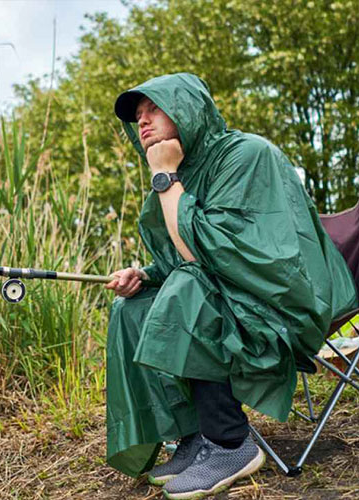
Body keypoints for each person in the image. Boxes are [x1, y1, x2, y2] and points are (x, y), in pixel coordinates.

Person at [104, 73, 358, 499]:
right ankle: (193, 435)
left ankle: (228, 442)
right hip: (234, 292)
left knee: (189, 291)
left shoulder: (246, 156)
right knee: (132, 308)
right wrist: (147, 274)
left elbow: (222, 256)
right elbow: (190, 254)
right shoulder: (188, 169)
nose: (142, 123)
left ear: (186, 108)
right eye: (137, 116)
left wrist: (165, 177)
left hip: (288, 300)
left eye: (153, 109)